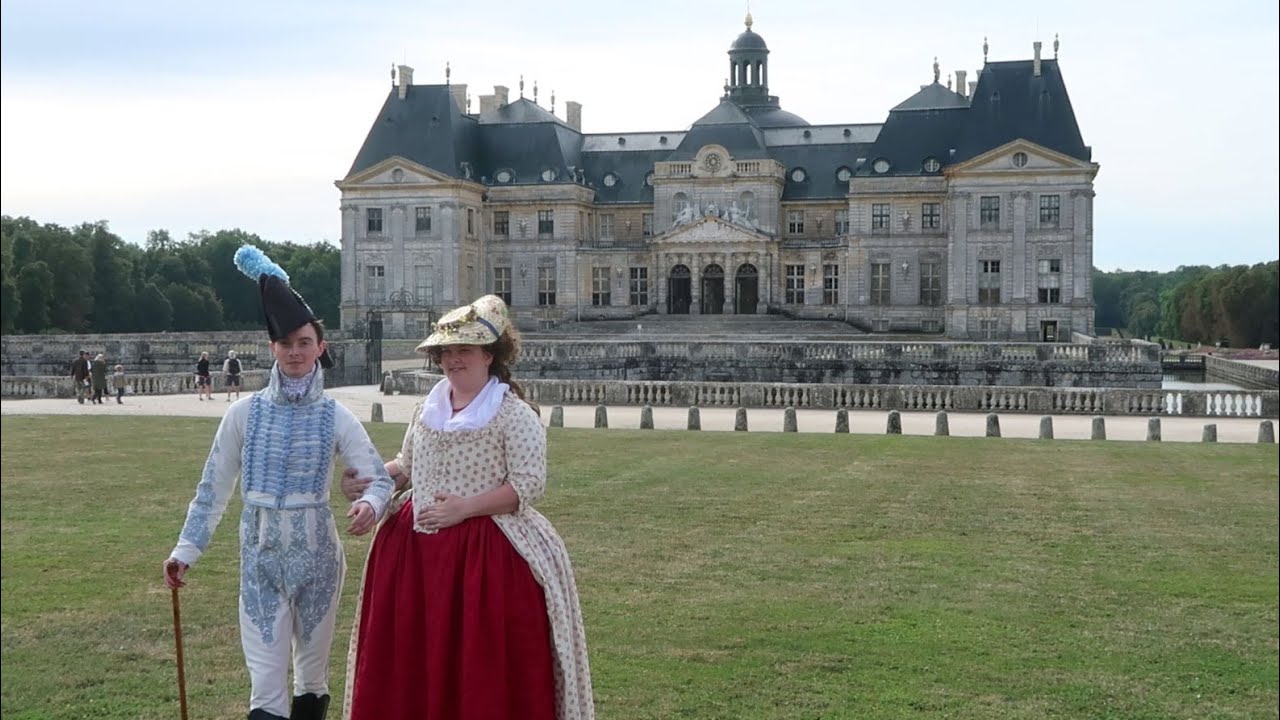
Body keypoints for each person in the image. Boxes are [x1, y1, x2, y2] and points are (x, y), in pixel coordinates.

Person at [162, 245, 396, 720]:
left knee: (311, 677)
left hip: (320, 561)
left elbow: (379, 480)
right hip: (261, 558)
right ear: (272, 347)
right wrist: (186, 550)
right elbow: (213, 487)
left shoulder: (336, 416)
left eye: (303, 342)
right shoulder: (242, 414)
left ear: (320, 347)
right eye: (285, 343)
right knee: (266, 685)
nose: (294, 351)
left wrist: (370, 504)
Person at [340, 294, 594, 720]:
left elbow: (529, 485)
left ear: (489, 355)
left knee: (480, 664)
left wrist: (466, 508)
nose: (454, 360)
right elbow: (407, 466)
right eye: (447, 351)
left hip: (487, 557)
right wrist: (369, 484)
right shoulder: (428, 408)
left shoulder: (512, 414)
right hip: (414, 557)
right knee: (412, 661)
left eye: (465, 350)